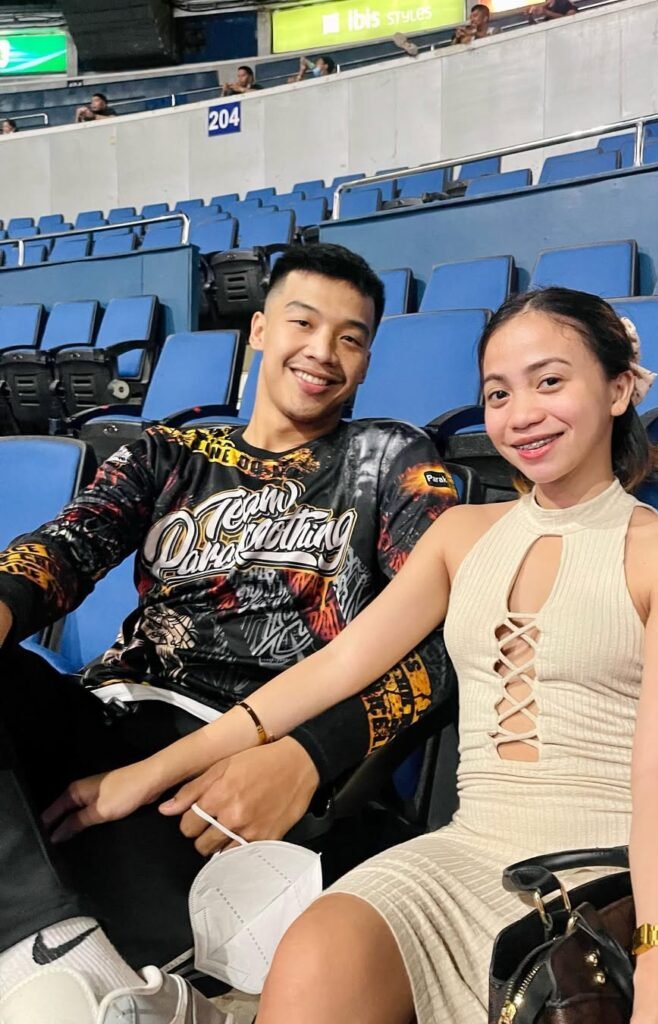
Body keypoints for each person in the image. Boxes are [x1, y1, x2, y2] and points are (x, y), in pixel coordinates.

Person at [42, 286, 658, 1023]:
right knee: (316, 951)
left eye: (549, 381)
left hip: (615, 869)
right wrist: (145, 775)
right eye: (497, 392)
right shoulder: (462, 533)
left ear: (619, 386)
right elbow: (333, 670)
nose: (520, 413)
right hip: (466, 851)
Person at [0, 243, 458, 1023]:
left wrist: (306, 758)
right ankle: (64, 959)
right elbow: (71, 544)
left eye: (350, 337)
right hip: (103, 717)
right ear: (257, 331)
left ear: (368, 360)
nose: (322, 351)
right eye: (302, 322)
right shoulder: (169, 451)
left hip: (227, 762)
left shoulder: (388, 458)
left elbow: (451, 640)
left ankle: (58, 963)